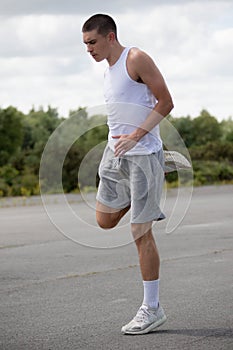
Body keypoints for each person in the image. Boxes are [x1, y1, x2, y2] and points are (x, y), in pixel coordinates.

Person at [82, 14, 174, 335]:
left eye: (92, 42)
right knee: (104, 220)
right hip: (115, 155)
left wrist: (136, 135)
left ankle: (152, 308)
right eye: (85, 44)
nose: (88, 49)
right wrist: (119, 142)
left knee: (139, 231)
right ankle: (149, 189)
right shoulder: (107, 71)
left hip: (143, 154)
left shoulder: (135, 58)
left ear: (110, 37)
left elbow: (166, 101)